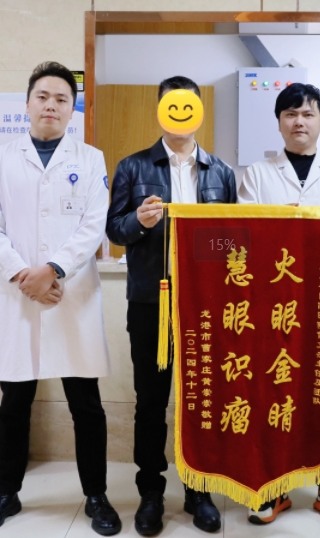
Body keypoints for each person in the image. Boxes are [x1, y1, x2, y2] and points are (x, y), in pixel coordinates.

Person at [0, 61, 118, 536]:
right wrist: (24, 275)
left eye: (61, 99)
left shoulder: (90, 159)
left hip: (71, 295)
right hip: (18, 296)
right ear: (28, 103)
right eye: (43, 96)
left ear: (72, 109)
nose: (51, 105)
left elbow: (93, 226)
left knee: (86, 403)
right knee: (14, 401)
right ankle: (6, 493)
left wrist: (52, 270)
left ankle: (96, 496)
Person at [238, 82, 320, 529]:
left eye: (308, 114)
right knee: (274, 392)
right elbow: (243, 239)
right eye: (291, 114)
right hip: (272, 305)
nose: (299, 121)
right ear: (279, 122)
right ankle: (273, 488)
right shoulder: (257, 175)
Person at [106, 76, 235, 536]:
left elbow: (231, 243)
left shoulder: (221, 172)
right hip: (150, 303)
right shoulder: (133, 166)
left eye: (188, 105)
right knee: (150, 402)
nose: (180, 113)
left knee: (201, 399)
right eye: (172, 105)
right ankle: (151, 494)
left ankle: (199, 491)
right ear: (160, 110)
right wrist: (139, 222)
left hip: (204, 306)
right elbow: (114, 230)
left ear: (199, 111)